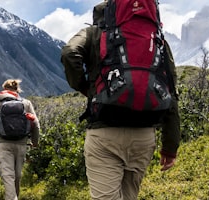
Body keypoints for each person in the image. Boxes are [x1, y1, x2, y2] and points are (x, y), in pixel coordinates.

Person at [60, 1, 181, 199]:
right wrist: (170, 146)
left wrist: (85, 88)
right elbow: (170, 89)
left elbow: (69, 53)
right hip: (144, 137)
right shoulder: (157, 39)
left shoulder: (95, 32)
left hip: (104, 133)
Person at [0, 79, 41, 200]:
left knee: (8, 176)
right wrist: (35, 143)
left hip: (3, 145)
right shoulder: (26, 103)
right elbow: (36, 125)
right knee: (17, 176)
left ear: (4, 90)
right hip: (21, 145)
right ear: (17, 90)